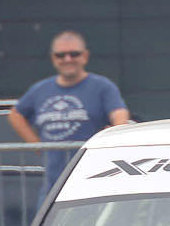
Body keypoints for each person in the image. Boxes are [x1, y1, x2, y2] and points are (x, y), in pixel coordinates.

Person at [8, 31, 129, 189]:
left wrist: (117, 129)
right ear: (53, 58)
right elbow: (15, 115)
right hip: (53, 186)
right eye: (61, 55)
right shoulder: (40, 90)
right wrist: (37, 145)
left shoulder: (103, 87)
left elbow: (119, 112)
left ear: (85, 56)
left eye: (74, 54)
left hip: (94, 181)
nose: (67, 59)